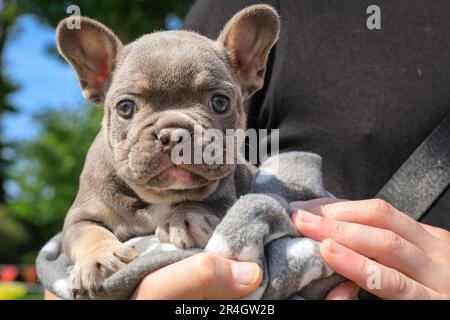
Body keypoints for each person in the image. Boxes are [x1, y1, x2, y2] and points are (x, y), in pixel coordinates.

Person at [45, 0, 450, 300]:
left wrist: (197, 211)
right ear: (96, 78)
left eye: (216, 103)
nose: (173, 134)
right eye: (129, 108)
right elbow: (77, 231)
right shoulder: (99, 176)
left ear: (248, 71)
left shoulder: (240, 174)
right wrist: (95, 252)